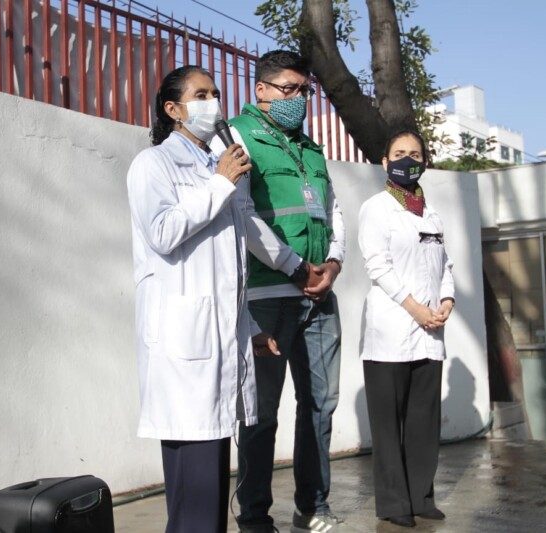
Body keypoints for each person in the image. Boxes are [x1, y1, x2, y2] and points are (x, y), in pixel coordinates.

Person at [126, 65, 279, 533]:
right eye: (201, 94)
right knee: (194, 502)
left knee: (211, 497)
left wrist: (249, 328)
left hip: (219, 341)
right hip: (183, 353)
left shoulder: (214, 167)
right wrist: (220, 183)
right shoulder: (153, 165)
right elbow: (164, 233)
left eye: (215, 92)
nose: (213, 101)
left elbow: (226, 270)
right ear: (173, 109)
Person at [211, 50, 346, 533]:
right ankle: (253, 518)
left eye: (303, 90)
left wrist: (332, 262)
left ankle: (313, 506)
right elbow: (241, 215)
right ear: (261, 90)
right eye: (287, 89)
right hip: (268, 296)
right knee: (260, 412)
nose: (297, 99)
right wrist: (294, 267)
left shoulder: (310, 148)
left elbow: (333, 210)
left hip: (318, 296)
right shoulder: (238, 137)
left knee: (320, 406)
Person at [358, 130, 455, 528]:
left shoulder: (431, 213)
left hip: (429, 331)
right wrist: (415, 308)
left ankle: (421, 496)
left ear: (424, 162)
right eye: (399, 153)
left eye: (415, 154)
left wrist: (446, 301)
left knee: (423, 421)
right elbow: (377, 265)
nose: (407, 160)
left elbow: (444, 266)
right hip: (391, 331)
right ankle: (394, 503)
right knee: (388, 423)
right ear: (385, 162)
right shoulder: (376, 208)